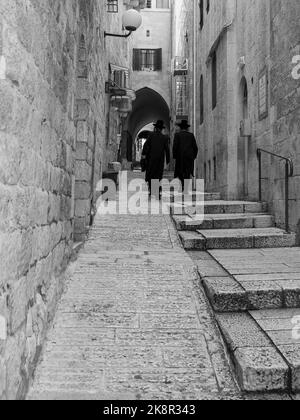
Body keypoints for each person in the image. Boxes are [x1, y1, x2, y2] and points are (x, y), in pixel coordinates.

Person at [141, 120, 170, 198]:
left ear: (156, 128)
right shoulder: (164, 138)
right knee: (157, 176)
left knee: (151, 175)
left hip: (151, 159)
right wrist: (168, 159)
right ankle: (157, 190)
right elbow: (167, 149)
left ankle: (152, 190)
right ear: (161, 129)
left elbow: (146, 145)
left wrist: (144, 155)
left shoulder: (151, 135)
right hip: (160, 161)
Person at [173, 120, 198, 191]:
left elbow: (175, 146)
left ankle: (183, 185)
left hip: (180, 157)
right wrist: (194, 156)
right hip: (189, 157)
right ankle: (185, 188)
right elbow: (195, 147)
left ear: (180, 128)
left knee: (180, 172)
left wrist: (175, 156)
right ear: (187, 128)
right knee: (187, 172)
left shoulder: (177, 135)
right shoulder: (191, 135)